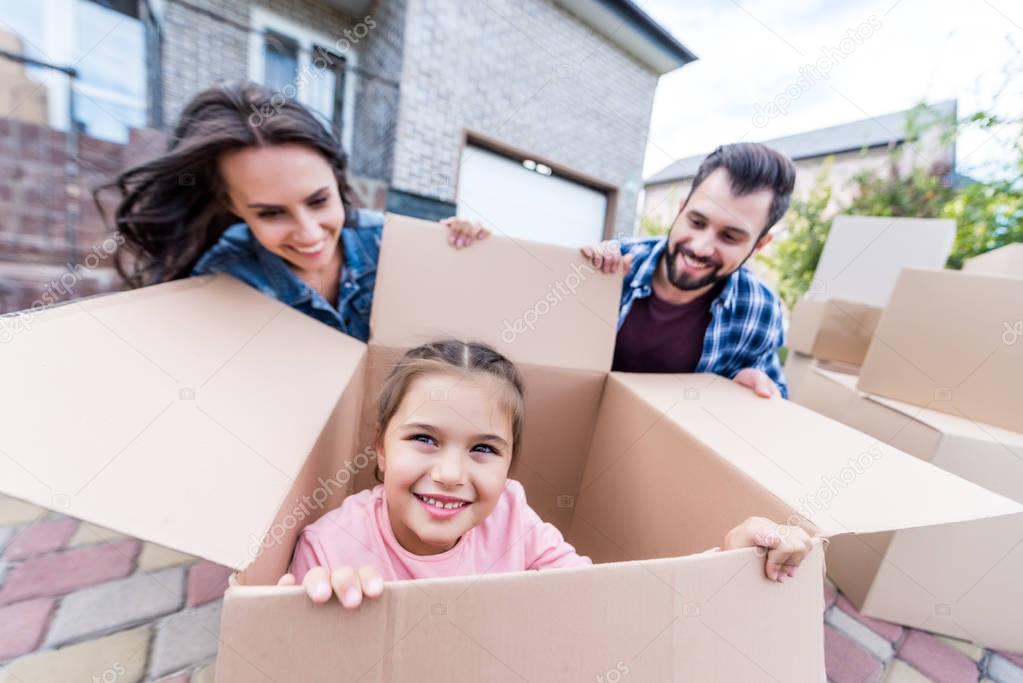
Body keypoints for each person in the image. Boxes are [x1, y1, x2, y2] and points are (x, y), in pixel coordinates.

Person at [277, 340, 815, 608]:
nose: (449, 473)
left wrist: (729, 561)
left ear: (510, 462)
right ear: (381, 448)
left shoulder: (513, 516)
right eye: (424, 439)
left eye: (484, 449)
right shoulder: (329, 548)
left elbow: (605, 597)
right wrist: (310, 611)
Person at [100, 81, 488, 342]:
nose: (308, 233)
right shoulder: (223, 279)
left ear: (337, 179)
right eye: (271, 213)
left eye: (318, 200)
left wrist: (457, 250)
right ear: (232, 206)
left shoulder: (391, 243)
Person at [449, 143, 796, 398]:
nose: (701, 247)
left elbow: (771, 392)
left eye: (730, 236)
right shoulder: (612, 265)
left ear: (760, 244)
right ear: (681, 208)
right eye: (696, 221)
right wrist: (474, 250)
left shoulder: (760, 311)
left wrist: (757, 388)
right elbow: (515, 328)